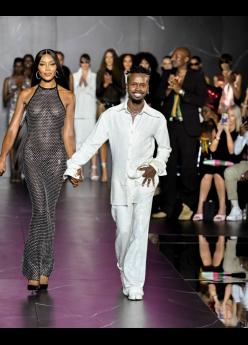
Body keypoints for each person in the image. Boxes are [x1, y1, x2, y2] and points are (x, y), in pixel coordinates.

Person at [64, 66, 171, 300]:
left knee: (140, 233)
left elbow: (164, 148)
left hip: (145, 182)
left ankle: (134, 283)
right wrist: (73, 165)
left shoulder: (157, 118)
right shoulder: (111, 116)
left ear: (148, 87)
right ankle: (125, 267)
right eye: (134, 84)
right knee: (124, 231)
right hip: (120, 184)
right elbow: (92, 143)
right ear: (126, 85)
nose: (138, 88)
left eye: (143, 84)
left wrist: (155, 164)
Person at [0, 49, 75, 291]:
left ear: (57, 68)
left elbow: (68, 133)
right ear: (37, 69)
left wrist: (75, 164)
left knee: (49, 213)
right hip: (33, 156)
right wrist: (2, 158)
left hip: (57, 158)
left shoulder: (68, 96)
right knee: (40, 209)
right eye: (43, 64)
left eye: (51, 64)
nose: (47, 68)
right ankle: (33, 269)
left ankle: (43, 269)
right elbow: (14, 127)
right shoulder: (27, 94)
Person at [153, 47, 207, 220]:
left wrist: (180, 91)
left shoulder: (196, 76)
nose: (174, 58)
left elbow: (201, 99)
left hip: (188, 128)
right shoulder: (167, 74)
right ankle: (167, 207)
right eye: (173, 55)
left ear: (186, 59)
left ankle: (188, 206)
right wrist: (169, 89)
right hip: (170, 127)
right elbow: (157, 96)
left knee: (188, 170)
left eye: (178, 56)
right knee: (167, 168)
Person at [96, 48, 124, 182]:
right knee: (103, 141)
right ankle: (105, 172)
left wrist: (112, 82)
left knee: (117, 141)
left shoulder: (119, 72)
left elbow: (123, 92)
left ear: (114, 58)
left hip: (117, 108)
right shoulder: (100, 72)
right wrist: (105, 84)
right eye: (106, 57)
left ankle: (117, 172)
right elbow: (97, 93)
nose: (108, 59)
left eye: (111, 57)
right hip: (104, 107)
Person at [3, 57, 31, 182]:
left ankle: (20, 170)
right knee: (12, 143)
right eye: (17, 65)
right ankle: (14, 172)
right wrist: (15, 90)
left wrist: (24, 91)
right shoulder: (8, 81)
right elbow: (4, 100)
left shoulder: (28, 80)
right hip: (12, 113)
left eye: (21, 66)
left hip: (25, 113)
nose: (19, 68)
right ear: (14, 66)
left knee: (24, 143)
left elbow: (32, 99)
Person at [72, 53, 98, 180]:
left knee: (92, 141)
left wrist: (85, 82)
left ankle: (93, 169)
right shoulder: (74, 76)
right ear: (80, 63)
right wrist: (79, 83)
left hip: (89, 113)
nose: (85, 64)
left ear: (90, 63)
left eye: (87, 62)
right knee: (78, 142)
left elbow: (94, 93)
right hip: (78, 113)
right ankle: (79, 169)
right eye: (82, 62)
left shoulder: (94, 76)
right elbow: (73, 93)